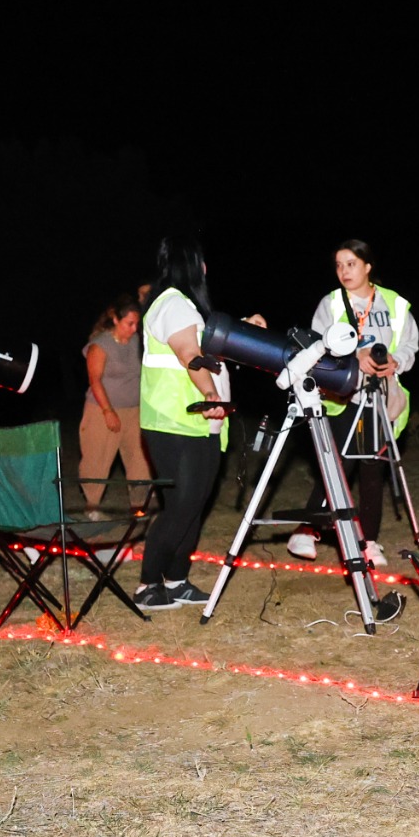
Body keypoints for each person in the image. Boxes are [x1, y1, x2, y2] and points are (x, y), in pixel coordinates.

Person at [284, 239, 419, 568]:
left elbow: (409, 346)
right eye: (339, 265)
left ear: (368, 266)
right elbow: (315, 348)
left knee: (373, 468)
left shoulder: (395, 304)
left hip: (380, 398)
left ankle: (370, 542)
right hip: (342, 398)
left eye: (351, 264)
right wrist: (352, 354)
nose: (344, 271)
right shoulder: (330, 303)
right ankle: (309, 528)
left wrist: (394, 361)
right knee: (339, 465)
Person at [135, 237, 249, 613]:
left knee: (194, 504)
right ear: (194, 267)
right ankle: (149, 584)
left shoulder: (184, 308)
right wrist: (211, 396)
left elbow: (202, 346)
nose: (205, 270)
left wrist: (246, 328)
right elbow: (190, 354)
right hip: (175, 421)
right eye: (201, 263)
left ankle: (177, 579)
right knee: (181, 505)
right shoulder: (172, 303)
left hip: (199, 426)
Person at [77, 303, 149, 514]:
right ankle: (92, 507)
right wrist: (108, 411)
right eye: (129, 323)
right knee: (96, 459)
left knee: (140, 461)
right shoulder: (100, 345)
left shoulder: (137, 342)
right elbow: (95, 380)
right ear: (116, 320)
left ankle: (139, 507)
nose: (134, 328)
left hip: (134, 411)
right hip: (102, 410)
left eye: (137, 323)